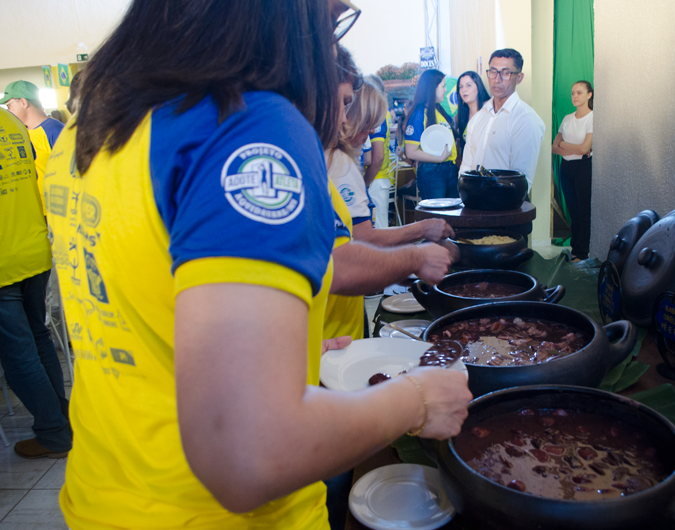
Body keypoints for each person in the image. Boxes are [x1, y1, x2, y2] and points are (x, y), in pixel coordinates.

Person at [46, 1, 471, 529]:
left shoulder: (87, 130)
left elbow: (142, 315)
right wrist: (416, 400)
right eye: (329, 14)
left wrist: (276, 354)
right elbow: (248, 453)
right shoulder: (245, 125)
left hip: (104, 499)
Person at [325, 46, 455, 343]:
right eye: (344, 104)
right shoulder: (339, 165)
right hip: (333, 328)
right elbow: (355, 248)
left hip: (338, 322)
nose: (346, 122)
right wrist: (416, 251)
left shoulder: (331, 162)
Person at [0, 109, 72, 460]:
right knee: (38, 339)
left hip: (3, 261)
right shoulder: (9, 121)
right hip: (32, 247)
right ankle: (62, 419)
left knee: (18, 355)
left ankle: (54, 433)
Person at [459, 48, 546, 190]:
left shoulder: (526, 119)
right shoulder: (479, 117)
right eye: (493, 72)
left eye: (506, 73)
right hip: (473, 204)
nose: (497, 79)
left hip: (505, 205)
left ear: (519, 77)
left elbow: (521, 182)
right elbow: (466, 167)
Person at [1, 80, 65, 214]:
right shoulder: (22, 133)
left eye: (9, 105)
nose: (9, 111)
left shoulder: (55, 131)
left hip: (57, 211)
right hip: (36, 211)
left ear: (23, 102)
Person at [553, 80, 594, 262]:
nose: (575, 96)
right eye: (572, 93)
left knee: (584, 211)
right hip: (566, 168)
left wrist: (565, 144)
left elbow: (585, 149)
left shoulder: (593, 118)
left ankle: (582, 252)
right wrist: (573, 148)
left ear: (589, 95)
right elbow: (554, 147)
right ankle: (575, 249)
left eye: (579, 93)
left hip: (583, 168)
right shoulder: (567, 118)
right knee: (573, 211)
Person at [402, 69, 458, 200]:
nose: (445, 90)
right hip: (432, 172)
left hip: (450, 168)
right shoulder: (419, 114)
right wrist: (439, 158)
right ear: (432, 87)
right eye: (443, 86)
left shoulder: (440, 110)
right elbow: (410, 152)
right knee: (436, 217)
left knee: (452, 217)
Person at [363, 76, 395, 228]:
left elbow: (377, 157)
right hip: (378, 179)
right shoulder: (381, 113)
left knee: (379, 230)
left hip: (375, 179)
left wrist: (364, 183)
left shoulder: (378, 114)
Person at [453, 71, 490, 156]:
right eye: (461, 87)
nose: (464, 90)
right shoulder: (460, 115)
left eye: (468, 85)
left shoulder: (489, 109)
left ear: (478, 87)